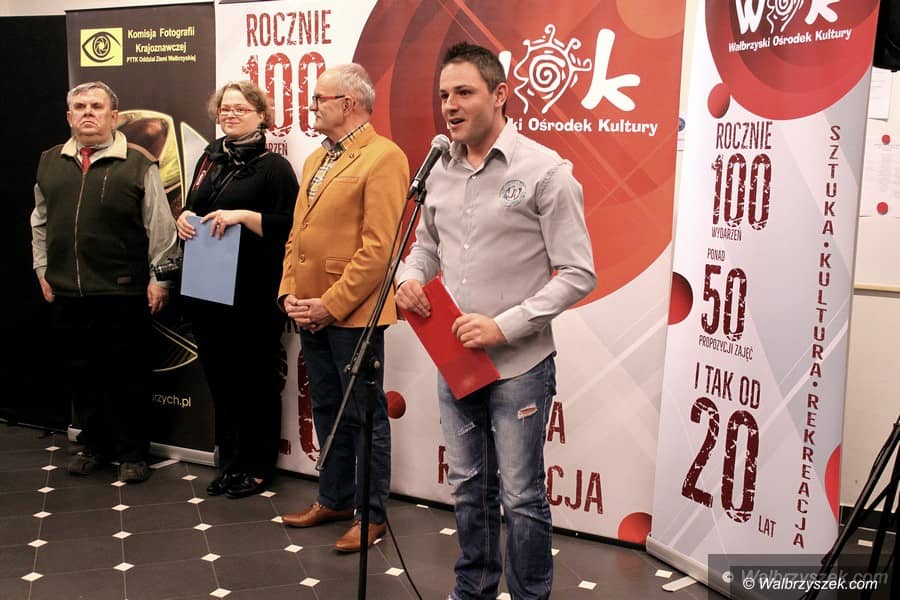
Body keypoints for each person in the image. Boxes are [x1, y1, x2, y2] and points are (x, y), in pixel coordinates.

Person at [395, 42, 597, 600]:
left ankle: (530, 595)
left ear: (500, 94)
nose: (450, 106)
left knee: (522, 496)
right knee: (467, 487)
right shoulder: (439, 169)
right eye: (444, 95)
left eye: (464, 92)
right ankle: (473, 590)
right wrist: (409, 277)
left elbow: (579, 273)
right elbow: (425, 246)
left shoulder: (546, 171)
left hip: (519, 365)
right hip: (454, 359)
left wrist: (504, 326)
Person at [278, 63, 409, 552]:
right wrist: (288, 292)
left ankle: (371, 515)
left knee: (365, 416)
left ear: (348, 104)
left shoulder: (384, 157)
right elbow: (297, 235)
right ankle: (333, 498)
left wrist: (330, 306)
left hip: (352, 315)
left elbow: (379, 250)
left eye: (319, 99)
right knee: (327, 408)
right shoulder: (316, 159)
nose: (311, 106)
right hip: (309, 310)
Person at [31, 81, 178, 484]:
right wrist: (42, 269)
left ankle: (133, 453)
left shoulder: (138, 163)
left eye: (96, 107)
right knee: (82, 376)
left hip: (122, 290)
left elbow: (161, 228)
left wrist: (161, 279)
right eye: (80, 107)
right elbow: (39, 221)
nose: (88, 113)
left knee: (127, 376)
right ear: (69, 116)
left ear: (114, 116)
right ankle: (95, 446)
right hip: (67, 291)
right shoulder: (49, 161)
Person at [176, 81, 298, 499]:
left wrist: (244, 216)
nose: (229, 115)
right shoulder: (209, 159)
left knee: (256, 383)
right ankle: (229, 463)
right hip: (208, 292)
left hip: (253, 295)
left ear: (261, 116)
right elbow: (193, 205)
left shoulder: (274, 168)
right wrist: (184, 217)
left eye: (240, 109)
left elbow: (290, 229)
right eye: (224, 109)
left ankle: (257, 468)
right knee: (222, 382)